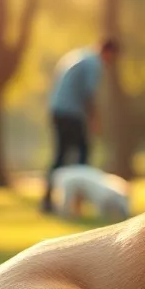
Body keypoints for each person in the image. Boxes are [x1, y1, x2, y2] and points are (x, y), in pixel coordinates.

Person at [41, 39, 119, 213]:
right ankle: (78, 201)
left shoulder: (79, 55)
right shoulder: (94, 64)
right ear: (108, 53)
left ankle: (47, 200)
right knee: (82, 154)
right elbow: (88, 93)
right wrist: (94, 119)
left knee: (61, 155)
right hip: (71, 113)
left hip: (57, 110)